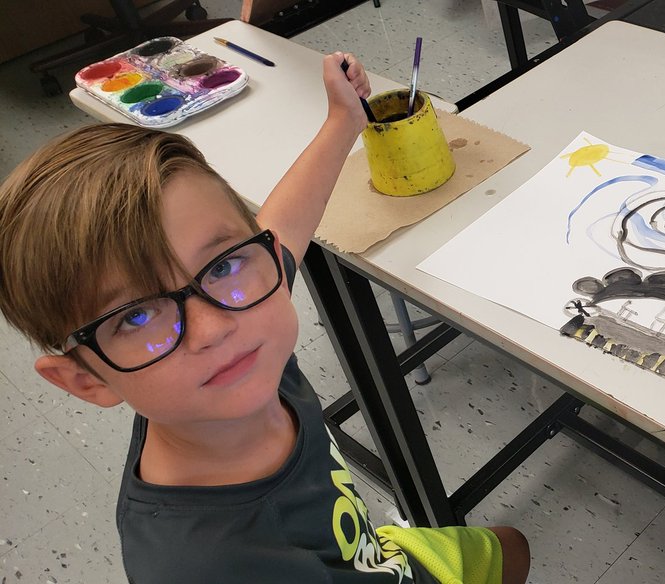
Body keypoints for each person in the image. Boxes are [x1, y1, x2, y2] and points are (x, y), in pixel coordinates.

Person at [0, 51, 529, 584]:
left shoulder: (237, 320)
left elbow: (282, 222)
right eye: (137, 319)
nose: (213, 327)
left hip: (378, 551)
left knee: (509, 548)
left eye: (222, 264)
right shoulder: (209, 566)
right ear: (85, 379)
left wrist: (345, 118)